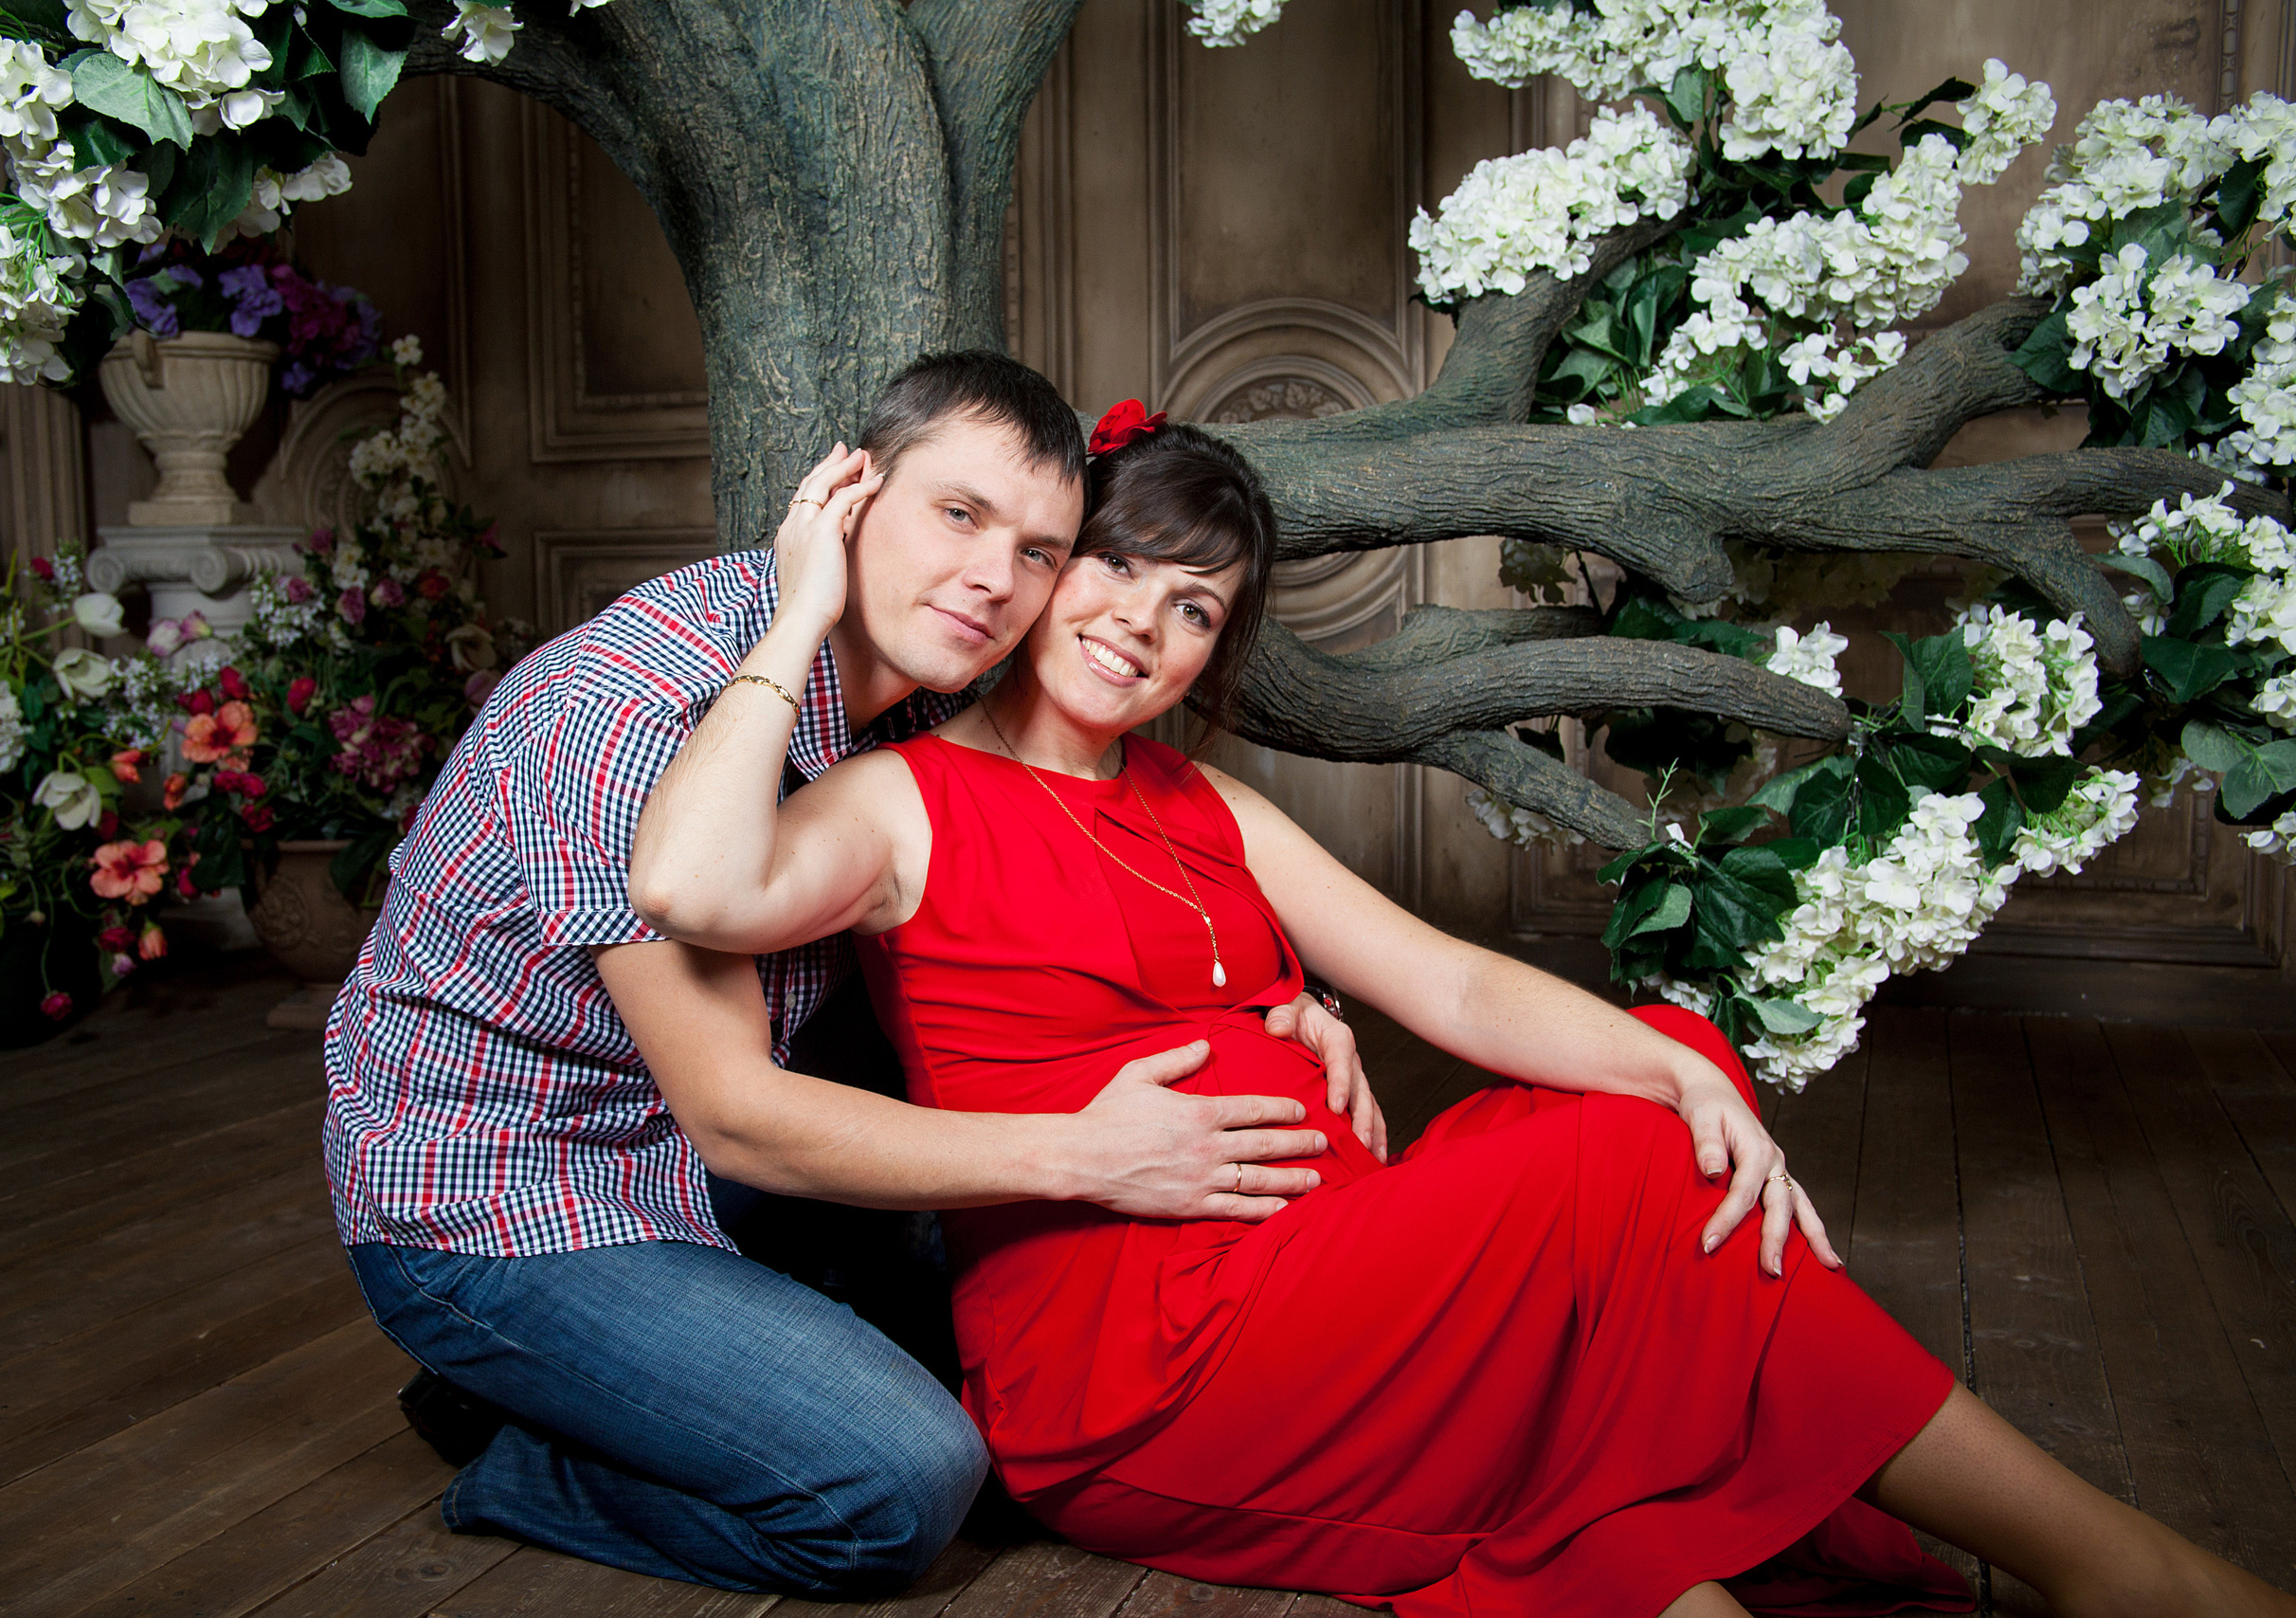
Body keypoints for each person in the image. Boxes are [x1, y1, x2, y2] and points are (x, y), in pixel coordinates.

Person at [630, 407, 2296, 1618]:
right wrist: (795, 612)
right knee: (1616, 1174)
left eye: (1195, 610)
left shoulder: (1205, 806)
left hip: (1311, 1266)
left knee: (1674, 1078)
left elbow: (1437, 975)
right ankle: (2107, 1563)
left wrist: (1669, 1064)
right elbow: (695, 892)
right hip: (1135, 1351)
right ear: (1052, 573)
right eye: (1117, 570)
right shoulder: (906, 801)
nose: (1142, 622)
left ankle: (1755, 1540)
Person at [322, 352, 1371, 1595]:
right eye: (959, 515)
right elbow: (736, 1118)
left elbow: (1058, 909)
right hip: (515, 1196)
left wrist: (1270, 1000)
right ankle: (517, 1448)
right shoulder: (629, 709)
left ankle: (646, 1373)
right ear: (852, 495)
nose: (992, 578)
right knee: (904, 1481)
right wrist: (1088, 1153)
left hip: (737, 1182)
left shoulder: (937, 690)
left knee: (1033, 1402)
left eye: (1040, 550)